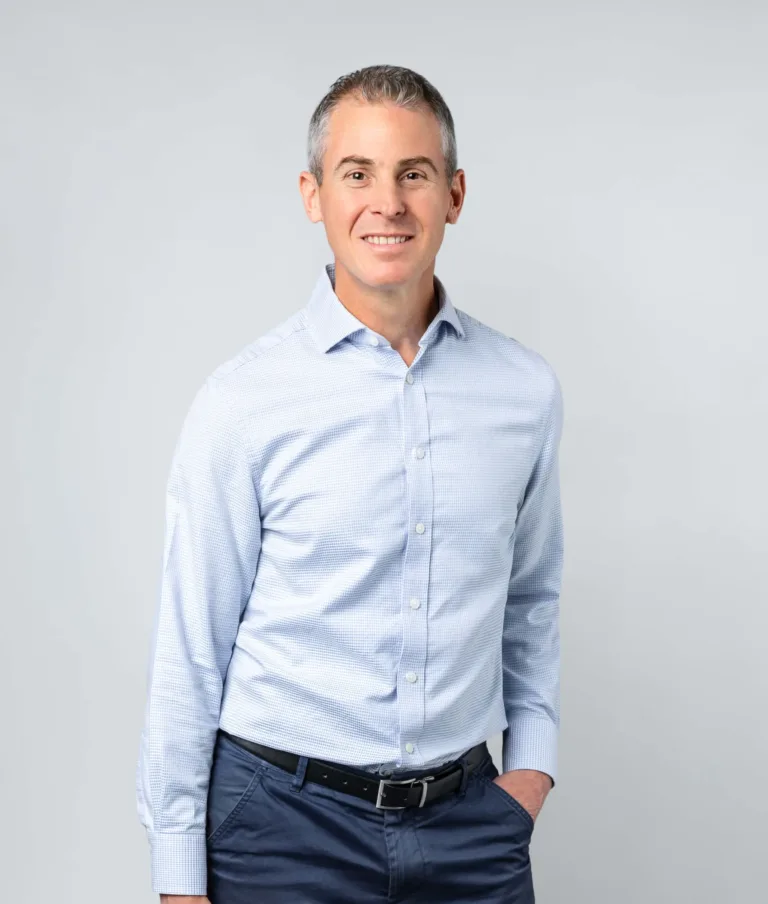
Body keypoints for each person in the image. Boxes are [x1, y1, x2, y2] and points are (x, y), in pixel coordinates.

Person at [136, 63, 564, 904]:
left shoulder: (525, 391)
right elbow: (190, 645)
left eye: (414, 174)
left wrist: (534, 767)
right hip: (278, 830)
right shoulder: (243, 402)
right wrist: (179, 873)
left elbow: (532, 599)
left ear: (455, 193)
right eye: (356, 174)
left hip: (470, 823)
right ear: (313, 195)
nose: (388, 202)